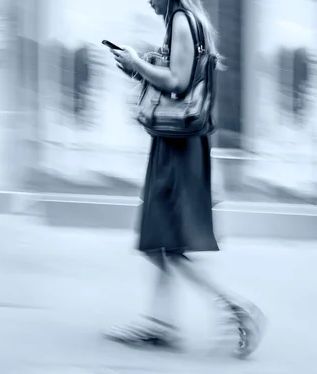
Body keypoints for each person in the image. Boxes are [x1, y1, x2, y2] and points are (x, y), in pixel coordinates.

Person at [103, 0, 265, 359]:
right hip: (177, 144)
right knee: (158, 240)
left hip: (178, 149)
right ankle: (160, 326)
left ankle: (238, 309)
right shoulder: (189, 20)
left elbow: (177, 82)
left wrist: (136, 63)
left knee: (168, 244)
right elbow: (184, 79)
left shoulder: (180, 19)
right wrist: (139, 70)